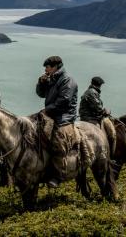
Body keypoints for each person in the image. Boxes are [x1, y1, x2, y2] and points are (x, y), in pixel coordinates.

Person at [35, 55, 78, 187]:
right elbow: (41, 94)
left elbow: (64, 101)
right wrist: (41, 82)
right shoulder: (52, 79)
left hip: (64, 116)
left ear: (55, 67)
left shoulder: (67, 80)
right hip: (51, 114)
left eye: (47, 68)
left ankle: (58, 175)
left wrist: (46, 110)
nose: (46, 70)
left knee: (57, 141)